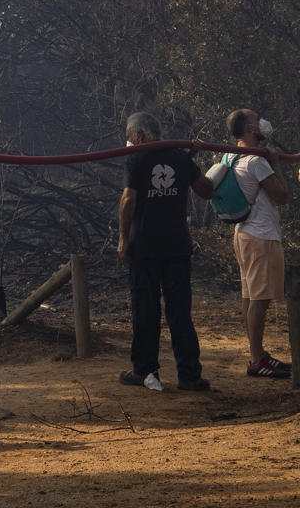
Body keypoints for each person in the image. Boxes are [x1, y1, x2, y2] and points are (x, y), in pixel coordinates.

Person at [118, 111, 213, 391]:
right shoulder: (179, 156)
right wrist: (189, 164)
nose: (128, 141)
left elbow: (128, 201)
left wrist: (123, 240)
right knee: (180, 312)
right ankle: (190, 375)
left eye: (129, 136)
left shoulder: (137, 157)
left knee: (145, 311)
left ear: (138, 135)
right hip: (176, 248)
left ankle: (145, 371)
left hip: (145, 247)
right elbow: (205, 191)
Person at [213, 109, 291, 378]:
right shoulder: (256, 161)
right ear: (248, 128)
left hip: (243, 234)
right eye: (257, 120)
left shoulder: (228, 155)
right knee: (260, 300)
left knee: (250, 297)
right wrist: (276, 164)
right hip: (261, 236)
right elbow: (281, 196)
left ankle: (257, 356)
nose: (262, 123)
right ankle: (257, 360)